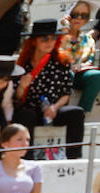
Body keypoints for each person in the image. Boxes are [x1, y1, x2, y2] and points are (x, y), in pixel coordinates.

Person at [13, 19, 86, 159]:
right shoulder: (22, 65)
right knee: (26, 115)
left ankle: (74, 159)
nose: (50, 42)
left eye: (53, 38)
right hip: (31, 112)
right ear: (34, 41)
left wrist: (55, 107)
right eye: (45, 39)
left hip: (52, 111)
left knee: (76, 113)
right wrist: (22, 86)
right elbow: (16, 99)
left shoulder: (61, 62)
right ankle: (27, 160)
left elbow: (66, 93)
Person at [61, 2, 100, 112]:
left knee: (96, 75)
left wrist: (81, 65)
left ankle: (81, 112)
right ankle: (62, 110)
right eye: (75, 14)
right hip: (60, 75)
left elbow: (90, 61)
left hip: (80, 74)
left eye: (83, 16)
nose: (78, 18)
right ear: (69, 16)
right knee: (68, 73)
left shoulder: (88, 39)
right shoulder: (58, 35)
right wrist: (65, 27)